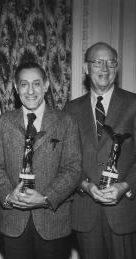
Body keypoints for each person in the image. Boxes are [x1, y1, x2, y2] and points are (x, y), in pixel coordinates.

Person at [0, 61, 82, 259]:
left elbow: (73, 169)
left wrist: (46, 198)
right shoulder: (2, 124)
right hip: (13, 223)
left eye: (36, 83)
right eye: (24, 84)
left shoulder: (66, 122)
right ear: (15, 87)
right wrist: (8, 196)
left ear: (46, 85)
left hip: (53, 223)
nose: (30, 90)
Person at [65, 42, 136, 259]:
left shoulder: (133, 104)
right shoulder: (70, 110)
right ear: (86, 68)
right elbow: (66, 161)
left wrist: (124, 186)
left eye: (111, 63)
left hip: (123, 211)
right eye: (98, 62)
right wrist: (85, 186)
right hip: (86, 212)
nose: (105, 68)